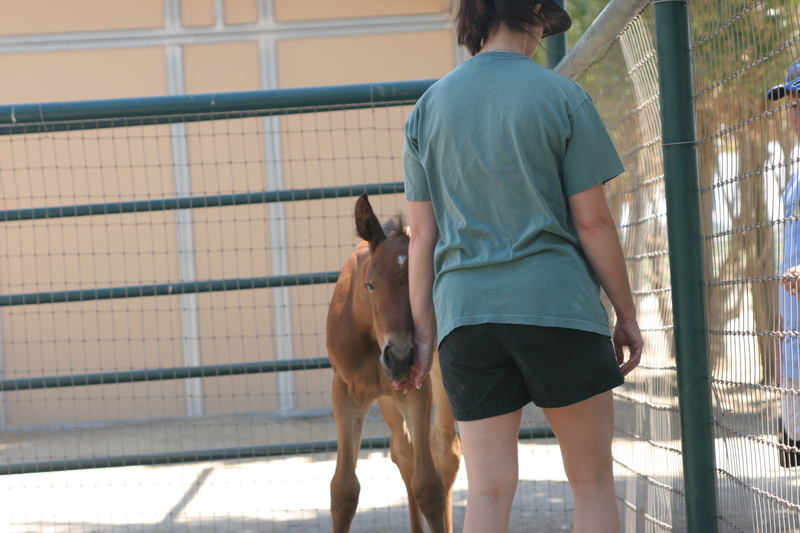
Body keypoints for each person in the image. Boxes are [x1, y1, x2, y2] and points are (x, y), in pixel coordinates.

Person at [393, 1, 643, 531]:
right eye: (545, 24)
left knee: (486, 490)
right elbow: (594, 223)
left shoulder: (427, 109)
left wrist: (423, 335)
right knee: (592, 481)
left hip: (466, 318)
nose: (541, 37)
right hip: (557, 306)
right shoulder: (563, 96)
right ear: (531, 12)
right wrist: (626, 314)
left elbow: (422, 239)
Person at [767, 58, 800, 468]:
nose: (794, 113)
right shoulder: (795, 173)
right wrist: (781, 349)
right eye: (791, 103)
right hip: (795, 353)